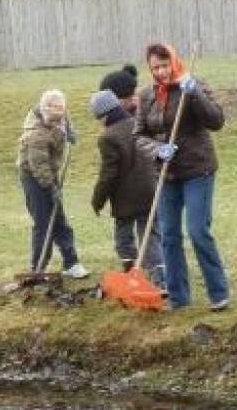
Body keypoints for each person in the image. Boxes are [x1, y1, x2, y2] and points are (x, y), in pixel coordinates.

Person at [134, 43, 229, 311]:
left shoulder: (193, 84)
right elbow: (138, 135)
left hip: (198, 169)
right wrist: (157, 150)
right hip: (167, 174)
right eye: (156, 67)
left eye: (165, 65)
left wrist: (195, 93)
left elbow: (216, 121)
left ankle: (219, 292)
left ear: (174, 62)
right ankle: (178, 297)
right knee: (169, 235)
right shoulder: (146, 96)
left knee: (198, 231)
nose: (162, 72)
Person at [90, 88, 163, 285]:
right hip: (151, 190)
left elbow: (108, 174)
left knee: (123, 238)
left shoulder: (108, 137)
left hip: (125, 198)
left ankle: (131, 272)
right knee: (151, 236)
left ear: (104, 115)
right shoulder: (139, 124)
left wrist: (98, 200)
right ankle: (160, 278)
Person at [17, 89, 89, 279]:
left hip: (51, 172)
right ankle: (38, 268)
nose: (59, 123)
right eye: (54, 121)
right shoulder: (35, 134)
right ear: (44, 113)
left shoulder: (60, 114)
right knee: (43, 222)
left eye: (61, 119)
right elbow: (39, 166)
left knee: (59, 220)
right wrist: (51, 188)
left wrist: (69, 132)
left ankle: (71, 263)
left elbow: (65, 121)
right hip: (33, 176)